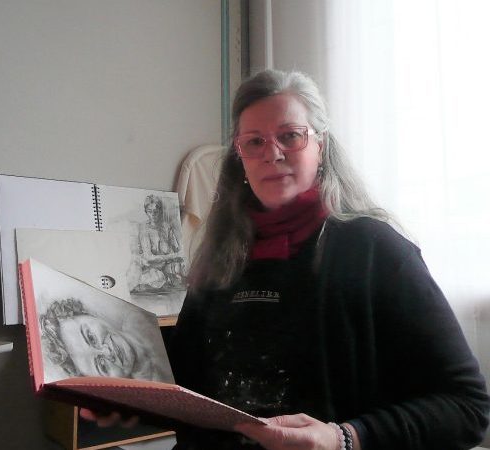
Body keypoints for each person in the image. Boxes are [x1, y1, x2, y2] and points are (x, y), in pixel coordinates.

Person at [83, 69, 490, 449]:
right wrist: (132, 403)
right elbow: (188, 390)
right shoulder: (222, 256)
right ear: (240, 157)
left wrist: (344, 438)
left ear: (320, 146)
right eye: (254, 141)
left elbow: (468, 406)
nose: (272, 153)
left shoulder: (375, 251)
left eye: (290, 136)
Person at [40, 297, 170, 381]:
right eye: (102, 366)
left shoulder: (145, 312)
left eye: (91, 338)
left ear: (91, 315)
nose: (107, 352)